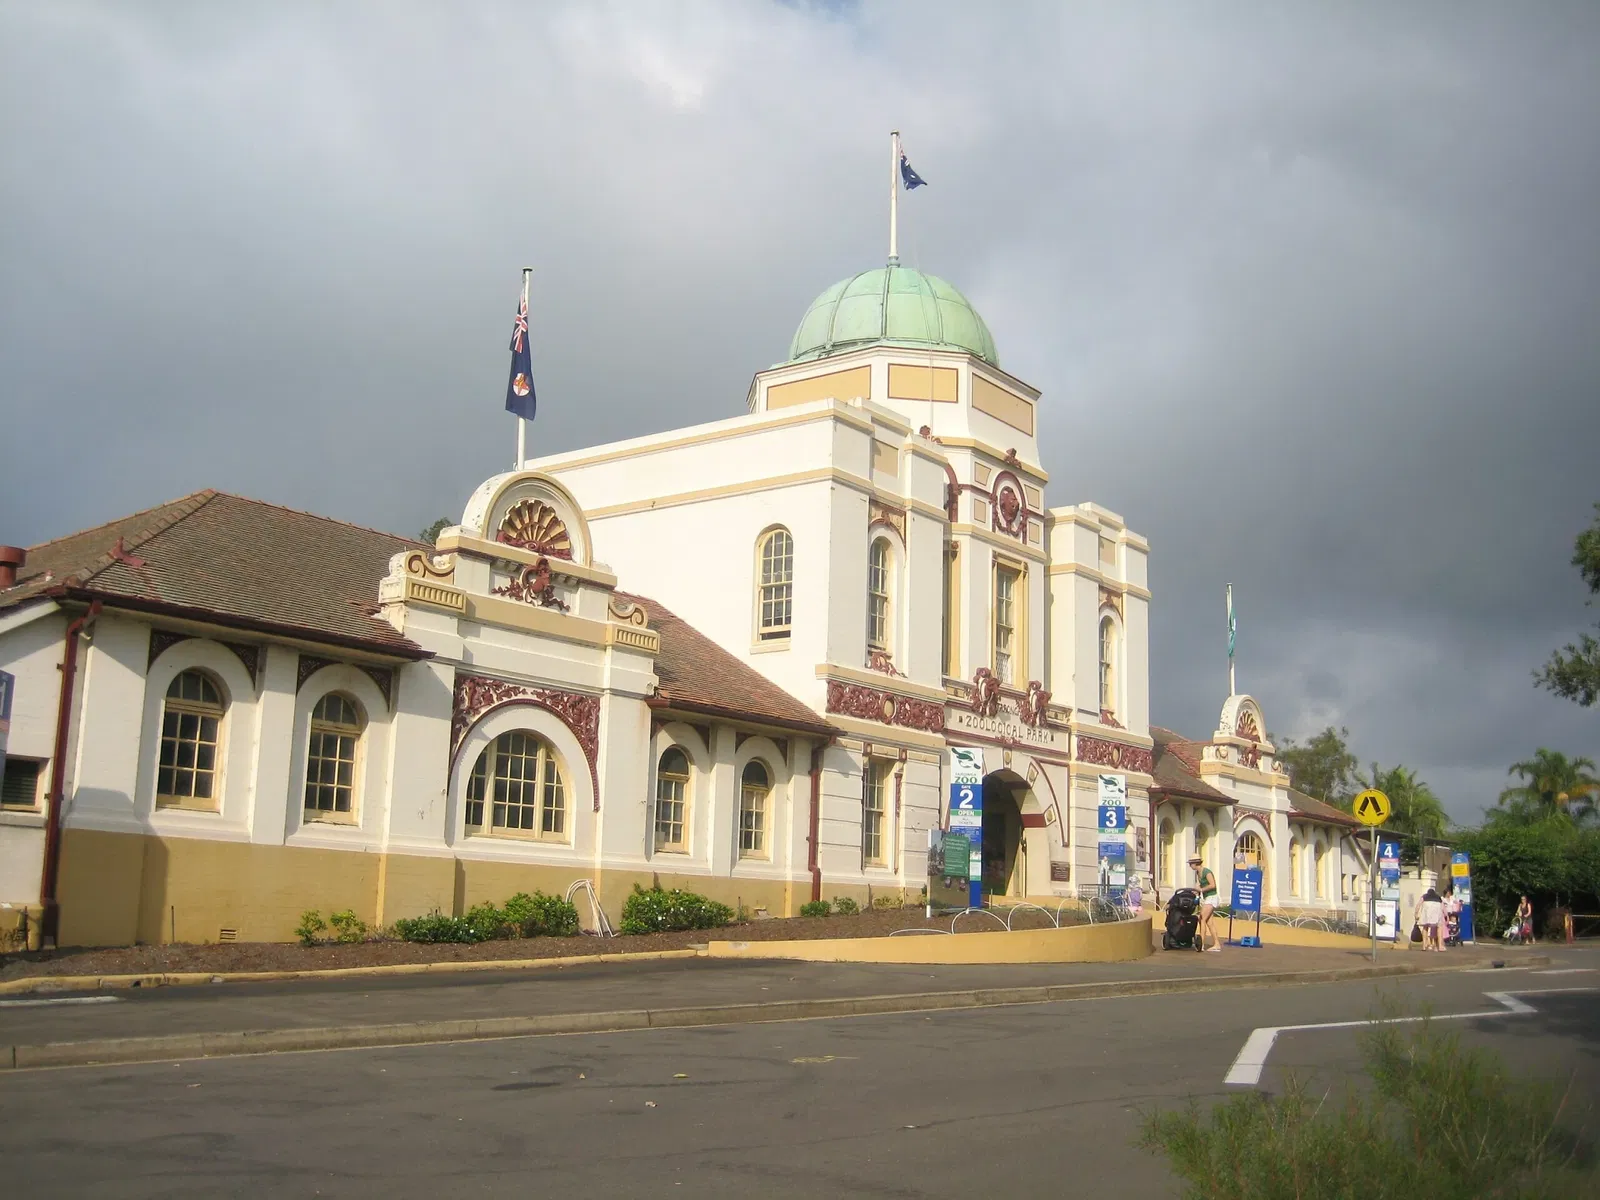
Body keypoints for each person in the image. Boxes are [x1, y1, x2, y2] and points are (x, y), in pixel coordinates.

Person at [1190, 854, 1220, 951]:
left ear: (1196, 863)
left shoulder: (1206, 872)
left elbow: (1213, 885)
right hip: (1207, 898)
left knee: (1201, 918)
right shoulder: (1198, 873)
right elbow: (1200, 886)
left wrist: (1201, 889)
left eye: (1191, 863)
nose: (1190, 865)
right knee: (1209, 922)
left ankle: (1201, 943)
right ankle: (1217, 944)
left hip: (1212, 897)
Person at [1415, 887, 1443, 952]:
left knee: (1425, 927)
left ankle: (1424, 945)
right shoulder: (1438, 897)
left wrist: (1416, 914)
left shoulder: (1425, 896)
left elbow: (1418, 904)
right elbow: (1442, 907)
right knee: (1439, 927)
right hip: (1437, 910)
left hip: (1427, 910)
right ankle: (1440, 946)